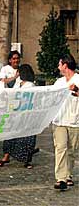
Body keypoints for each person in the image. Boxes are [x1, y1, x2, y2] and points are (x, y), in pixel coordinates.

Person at [0, 64, 37, 169]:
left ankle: (26, 160)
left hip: (25, 116)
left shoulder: (30, 85)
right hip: (14, 114)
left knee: (26, 138)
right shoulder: (18, 83)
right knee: (10, 136)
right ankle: (6, 156)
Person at [52, 54, 79, 191]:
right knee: (60, 148)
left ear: (65, 65)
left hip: (75, 121)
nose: (58, 67)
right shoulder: (59, 82)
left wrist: (76, 90)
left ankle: (68, 175)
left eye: (59, 64)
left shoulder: (78, 79)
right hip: (59, 120)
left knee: (71, 150)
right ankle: (61, 178)